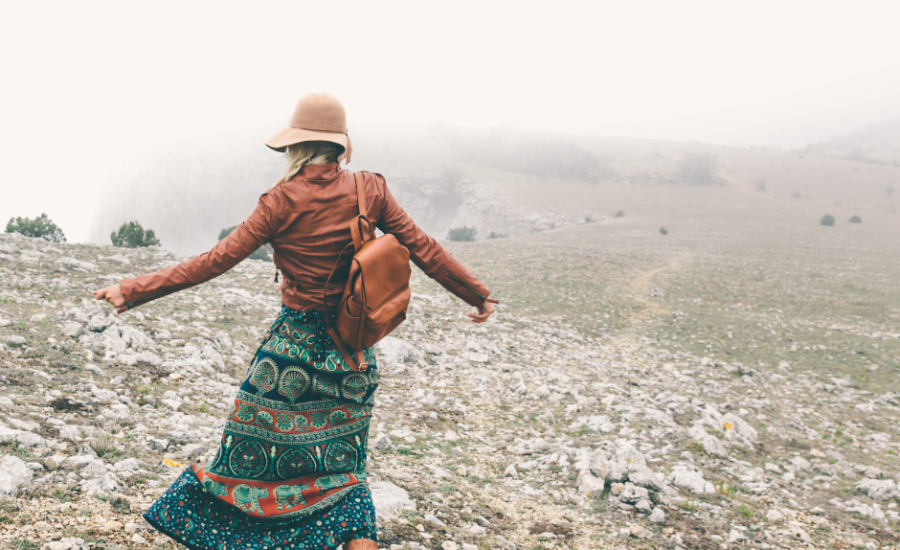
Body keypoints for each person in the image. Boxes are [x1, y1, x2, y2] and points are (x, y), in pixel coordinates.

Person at [93, 92, 496, 550]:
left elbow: (215, 261)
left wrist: (134, 288)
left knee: (245, 468)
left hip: (291, 356)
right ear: (339, 144)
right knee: (344, 472)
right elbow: (424, 248)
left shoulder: (279, 201)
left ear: (296, 146)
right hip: (352, 353)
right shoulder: (371, 189)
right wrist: (476, 293)